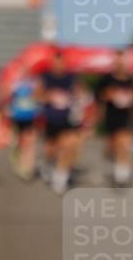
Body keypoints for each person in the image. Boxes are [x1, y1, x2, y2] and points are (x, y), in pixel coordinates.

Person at [39, 49, 81, 195]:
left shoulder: (71, 77)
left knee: (70, 145)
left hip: (67, 119)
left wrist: (77, 97)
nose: (58, 66)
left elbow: (78, 93)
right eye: (55, 63)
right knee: (51, 151)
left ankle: (60, 178)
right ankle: (50, 165)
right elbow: (37, 96)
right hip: (50, 119)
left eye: (61, 62)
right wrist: (48, 96)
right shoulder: (45, 77)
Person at [96, 50, 133, 186]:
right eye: (118, 60)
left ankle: (122, 174)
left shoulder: (132, 79)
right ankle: (113, 164)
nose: (120, 63)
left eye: (122, 60)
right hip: (111, 116)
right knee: (113, 145)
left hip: (126, 117)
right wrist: (110, 95)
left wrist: (131, 99)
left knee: (124, 143)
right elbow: (100, 96)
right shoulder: (106, 79)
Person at [6, 64, 41, 181]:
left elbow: (40, 97)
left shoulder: (35, 83)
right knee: (21, 142)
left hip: (32, 117)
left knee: (30, 142)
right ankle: (19, 159)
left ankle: (27, 168)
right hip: (18, 117)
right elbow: (8, 98)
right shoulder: (15, 84)